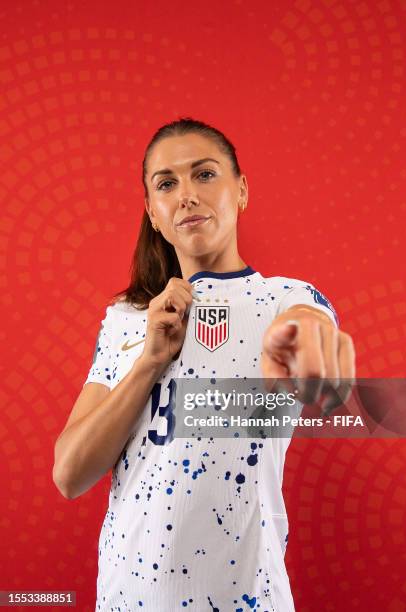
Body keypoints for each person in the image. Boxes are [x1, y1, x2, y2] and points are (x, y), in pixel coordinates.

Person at [53, 117, 355, 611]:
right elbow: (70, 474)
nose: (187, 195)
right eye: (167, 184)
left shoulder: (284, 297)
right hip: (128, 597)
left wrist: (305, 342)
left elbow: (310, 331)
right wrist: (151, 361)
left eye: (205, 174)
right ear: (153, 212)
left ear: (242, 191)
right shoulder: (127, 320)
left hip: (248, 599)